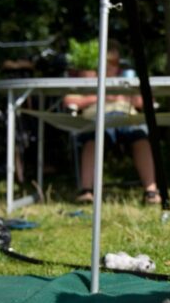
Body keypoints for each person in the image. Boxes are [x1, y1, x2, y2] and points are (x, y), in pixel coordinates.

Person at [63, 40, 160, 204]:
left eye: (114, 62)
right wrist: (100, 96)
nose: (110, 66)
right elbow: (68, 100)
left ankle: (151, 191)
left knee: (141, 138)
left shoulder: (129, 77)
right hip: (97, 118)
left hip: (127, 117)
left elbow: (148, 102)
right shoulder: (87, 78)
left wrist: (129, 96)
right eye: (106, 62)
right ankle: (86, 190)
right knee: (91, 140)